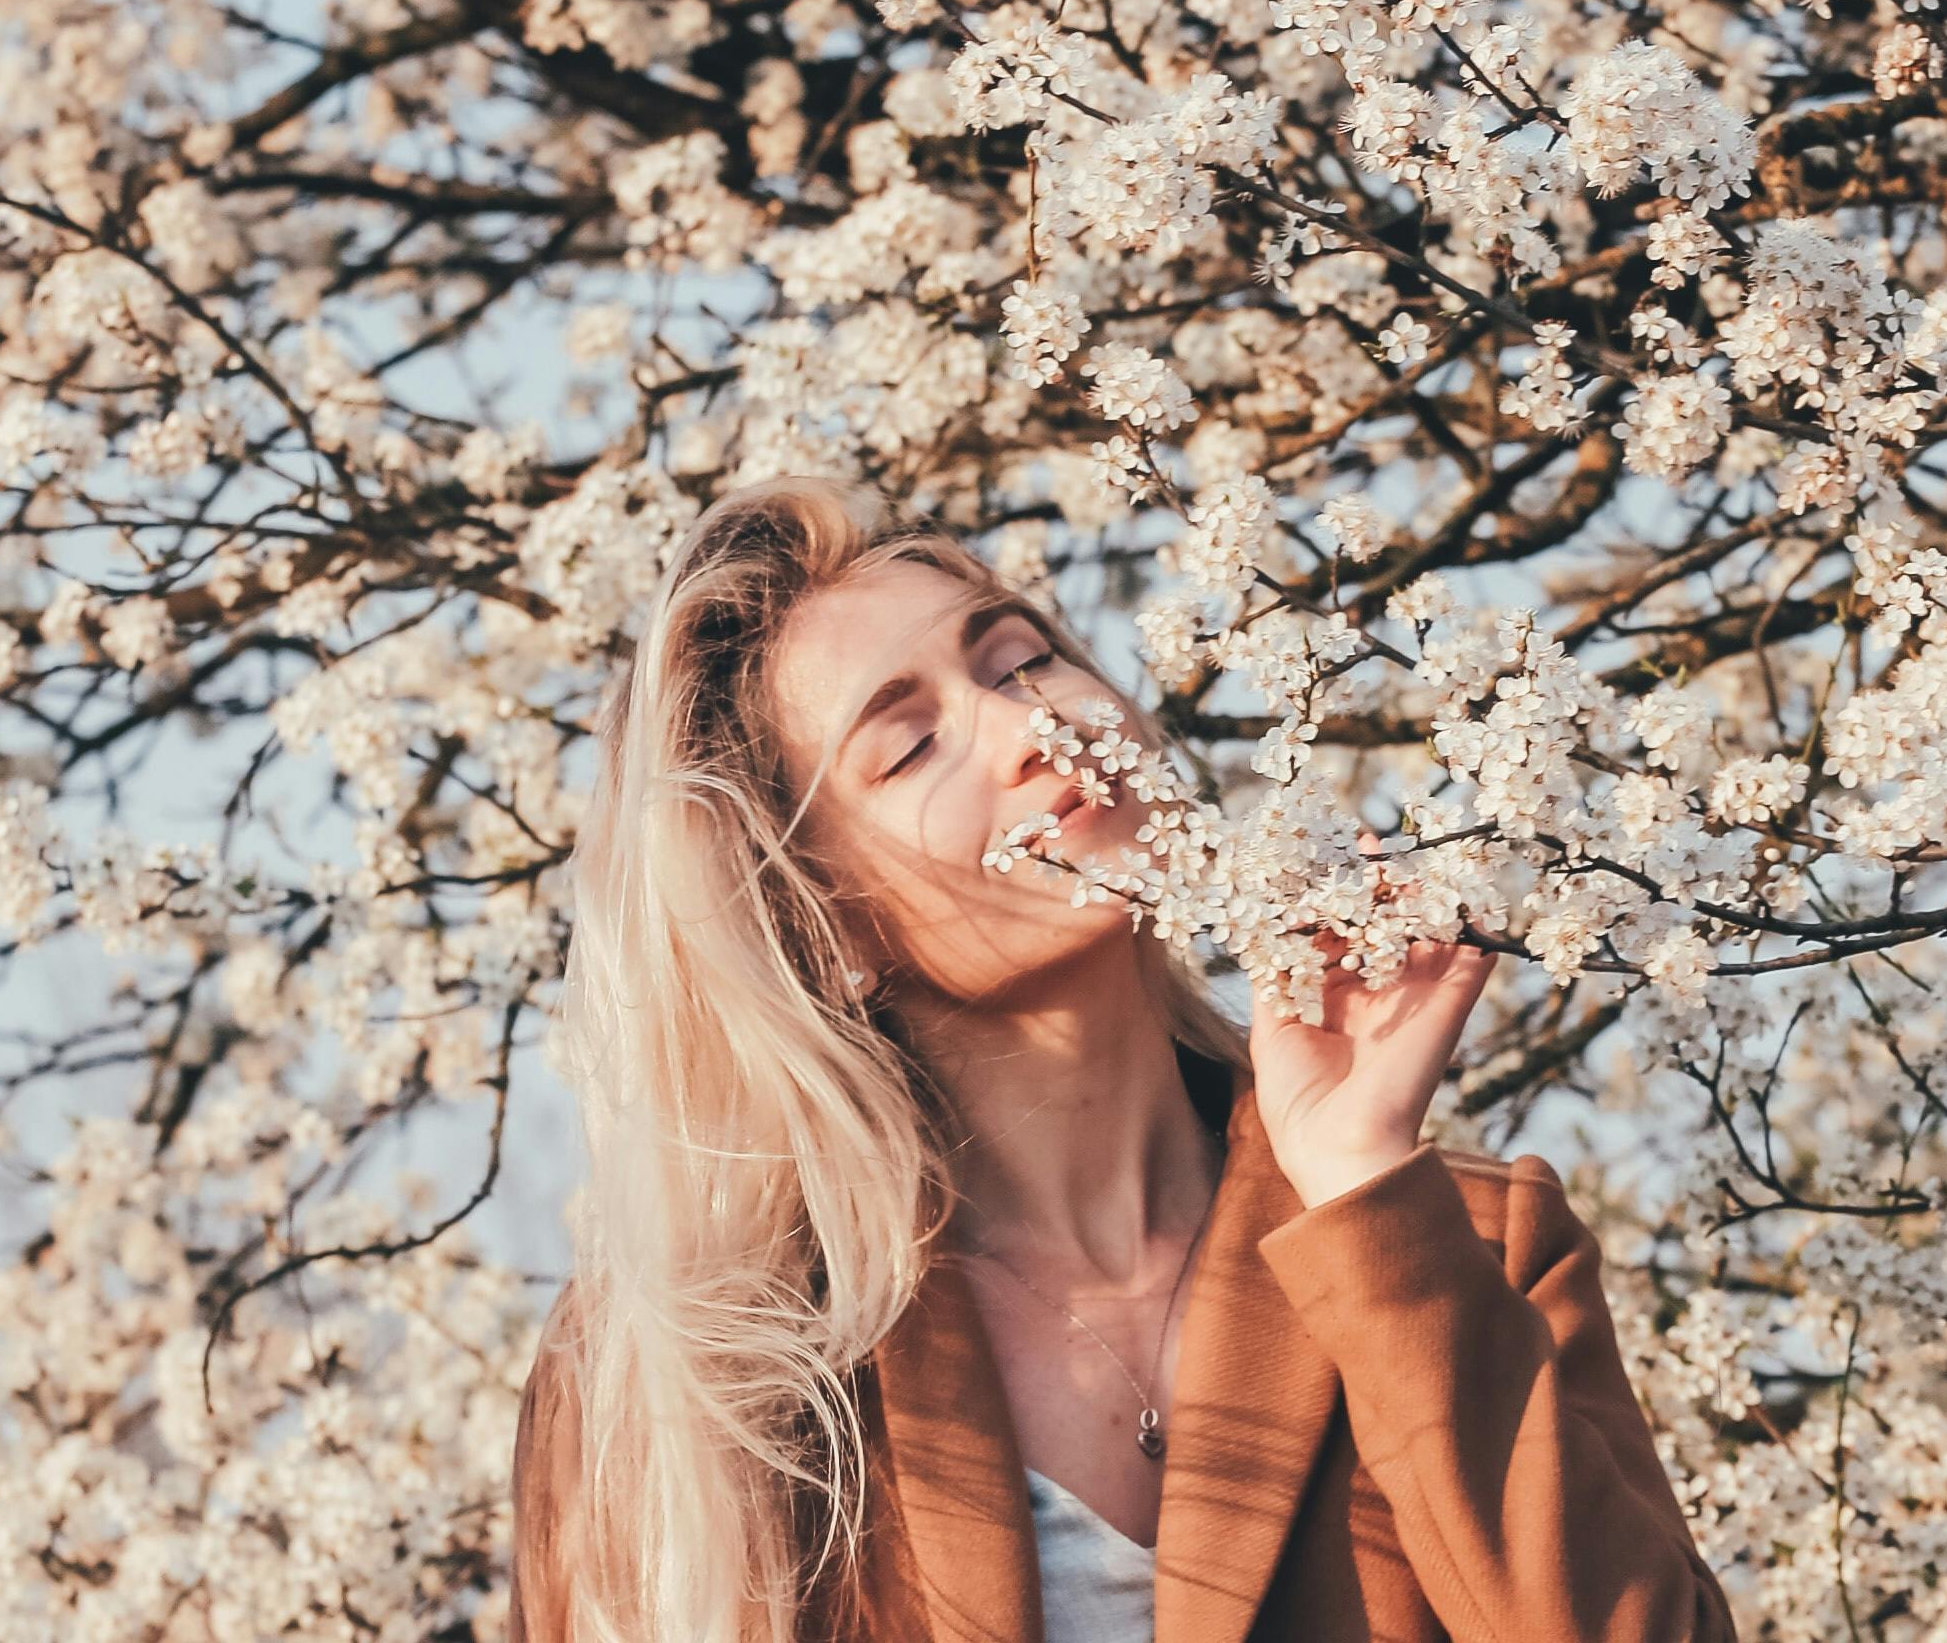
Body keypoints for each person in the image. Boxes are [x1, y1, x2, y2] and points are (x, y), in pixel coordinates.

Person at [507, 473, 1738, 1643]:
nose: (1030, 724)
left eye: (1021, 657)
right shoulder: (689, 1373)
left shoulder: (1473, 1244)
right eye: (909, 744)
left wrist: (1365, 1193)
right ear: (819, 924)